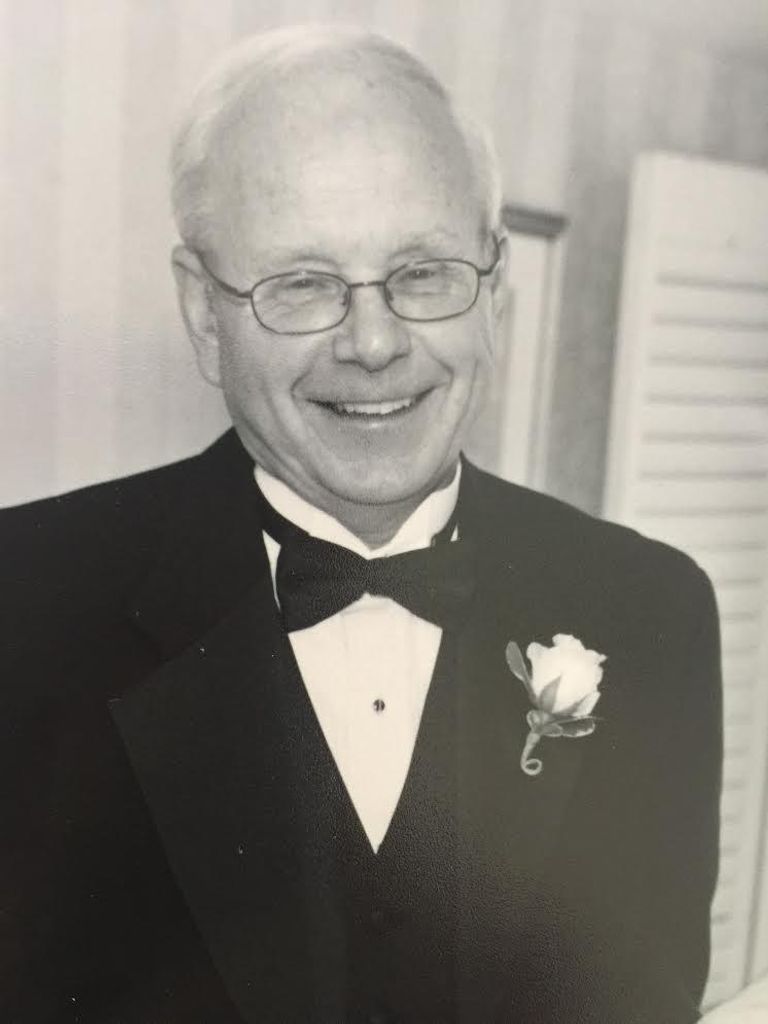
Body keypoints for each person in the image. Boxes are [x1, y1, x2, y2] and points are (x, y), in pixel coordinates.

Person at [0, 25, 721, 1024]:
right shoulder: (24, 602)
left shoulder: (652, 610)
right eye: (302, 283)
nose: (374, 343)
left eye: (423, 272)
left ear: (495, 289)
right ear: (204, 314)